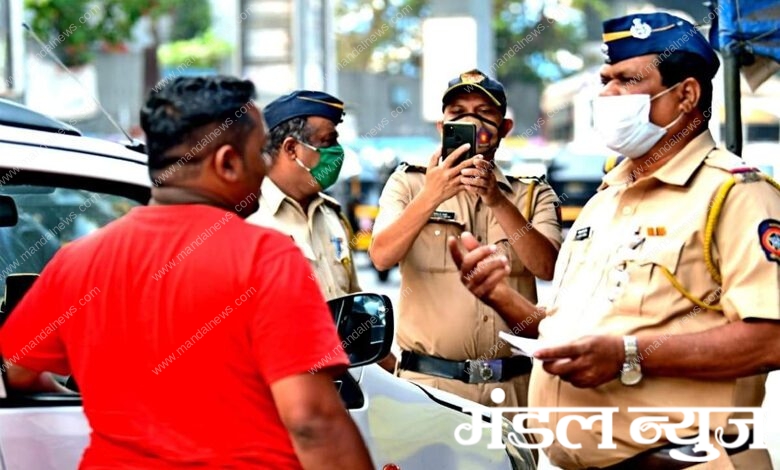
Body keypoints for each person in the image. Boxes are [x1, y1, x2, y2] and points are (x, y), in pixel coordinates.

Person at [450, 12, 780, 470]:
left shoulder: (734, 195)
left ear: (686, 95)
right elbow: (571, 335)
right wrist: (500, 296)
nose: (606, 95)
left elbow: (770, 340)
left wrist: (629, 355)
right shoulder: (607, 199)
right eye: (605, 80)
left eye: (626, 80)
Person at [0, 76, 373, 470]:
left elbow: (16, 370)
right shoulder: (266, 257)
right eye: (259, 153)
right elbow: (313, 422)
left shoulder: (76, 261)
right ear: (227, 162)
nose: (266, 171)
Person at [370, 69, 563, 407]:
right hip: (429, 388)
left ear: (504, 129)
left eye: (484, 113)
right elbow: (381, 256)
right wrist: (431, 195)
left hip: (513, 389)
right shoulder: (409, 183)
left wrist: (497, 200)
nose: (472, 122)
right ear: (442, 127)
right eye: (458, 113)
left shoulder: (532, 193)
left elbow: (546, 267)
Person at [246, 90, 396, 372]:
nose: (337, 152)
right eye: (327, 142)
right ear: (291, 149)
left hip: (345, 388)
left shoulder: (332, 215)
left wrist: (395, 373)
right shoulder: (248, 217)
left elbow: (354, 306)